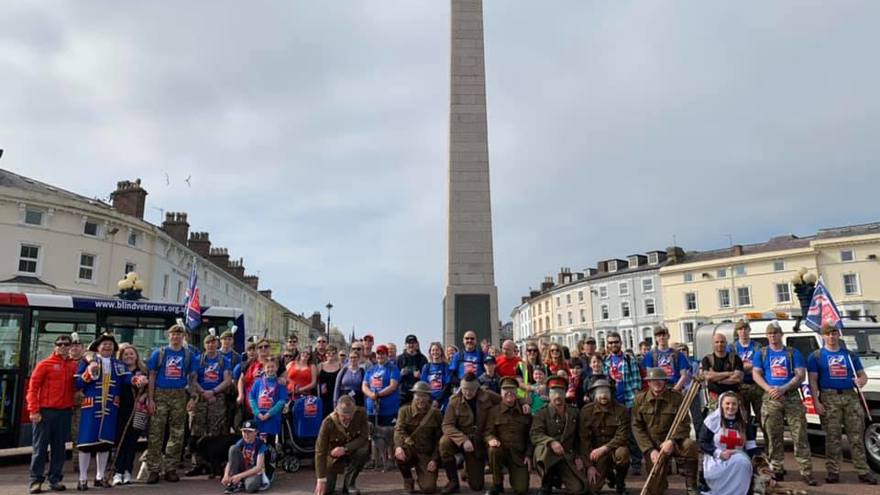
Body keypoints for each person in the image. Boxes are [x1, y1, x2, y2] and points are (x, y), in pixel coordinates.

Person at [807, 323, 877, 484]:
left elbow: (862, 375)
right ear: (823, 336)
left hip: (850, 397)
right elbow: (813, 381)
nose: (831, 337)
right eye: (828, 334)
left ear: (839, 335)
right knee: (833, 437)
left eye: (834, 333)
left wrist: (861, 381)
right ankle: (833, 471)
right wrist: (816, 402)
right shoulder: (816, 356)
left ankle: (863, 471)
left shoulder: (849, 355)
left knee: (856, 436)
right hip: (829, 397)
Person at [752, 321, 815, 485]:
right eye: (770, 334)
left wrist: (784, 388)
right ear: (767, 336)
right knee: (773, 436)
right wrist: (768, 389)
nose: (773, 336)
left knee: (799, 434)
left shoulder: (793, 353)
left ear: (781, 334)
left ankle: (806, 470)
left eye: (775, 333)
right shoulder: (762, 353)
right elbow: (756, 374)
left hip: (792, 397)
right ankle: (777, 468)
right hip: (771, 399)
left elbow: (800, 374)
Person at [75, 332, 138, 489]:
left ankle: (100, 476)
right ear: (97, 347)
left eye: (110, 344)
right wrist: (89, 372)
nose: (107, 346)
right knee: (86, 444)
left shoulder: (118, 364)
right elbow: (77, 383)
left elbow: (127, 378)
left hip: (110, 409)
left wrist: (138, 379)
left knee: (105, 444)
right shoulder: (87, 362)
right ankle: (82, 479)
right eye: (104, 344)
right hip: (91, 408)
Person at [632, 368, 699, 495]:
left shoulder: (677, 398)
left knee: (690, 445)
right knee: (655, 489)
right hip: (652, 445)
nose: (657, 383)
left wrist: (672, 441)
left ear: (665, 382)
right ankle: (662, 480)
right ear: (649, 382)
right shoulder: (640, 400)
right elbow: (637, 427)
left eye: (660, 380)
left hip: (674, 442)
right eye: (653, 380)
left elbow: (684, 423)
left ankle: (691, 487)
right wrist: (650, 450)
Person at [145, 324, 196, 484]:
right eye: (173, 334)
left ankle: (171, 468)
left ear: (184, 337)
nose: (176, 337)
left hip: (179, 395)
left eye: (179, 335)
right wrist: (150, 399)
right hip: (160, 394)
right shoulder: (159, 353)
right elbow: (151, 377)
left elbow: (192, 378)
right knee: (155, 433)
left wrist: (193, 398)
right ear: (168, 336)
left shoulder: (189, 355)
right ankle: (153, 469)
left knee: (177, 433)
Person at [28, 334, 78, 494]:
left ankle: (55, 480)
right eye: (60, 344)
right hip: (45, 412)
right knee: (40, 448)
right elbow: (33, 388)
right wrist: (33, 410)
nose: (63, 347)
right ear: (55, 346)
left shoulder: (74, 366)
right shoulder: (45, 364)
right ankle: (36, 481)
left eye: (66, 344)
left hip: (64, 412)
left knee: (59, 449)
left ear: (70, 346)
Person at [439, 373, 501, 494]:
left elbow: (506, 399)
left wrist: (524, 401)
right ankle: (453, 481)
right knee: (444, 443)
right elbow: (447, 425)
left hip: (478, 442)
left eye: (471, 389)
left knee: (477, 486)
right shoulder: (454, 401)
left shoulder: (488, 396)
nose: (468, 392)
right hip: (460, 440)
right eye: (465, 389)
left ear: (477, 388)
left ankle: (467, 469)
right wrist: (463, 440)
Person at [187, 332, 233, 477]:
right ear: (204, 345)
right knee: (197, 430)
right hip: (200, 398)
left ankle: (215, 464)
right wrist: (204, 393)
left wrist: (213, 391)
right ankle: (198, 464)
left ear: (217, 344)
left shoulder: (224, 360)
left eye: (213, 343)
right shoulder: (197, 360)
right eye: (208, 343)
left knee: (215, 433)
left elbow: (227, 380)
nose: (211, 345)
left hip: (217, 398)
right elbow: (193, 379)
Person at [530, 376, 585, 495]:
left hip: (566, 455)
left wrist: (579, 456)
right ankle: (547, 482)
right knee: (543, 451)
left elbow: (580, 437)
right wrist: (551, 442)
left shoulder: (574, 412)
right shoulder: (542, 413)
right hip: (549, 453)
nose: (557, 396)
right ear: (549, 395)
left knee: (578, 489)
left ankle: (559, 477)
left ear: (565, 393)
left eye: (560, 392)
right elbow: (535, 434)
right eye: (554, 393)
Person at [698, 392, 759, 495]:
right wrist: (719, 453)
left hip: (738, 457)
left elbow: (752, 447)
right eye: (727, 403)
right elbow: (702, 442)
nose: (730, 407)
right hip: (717, 457)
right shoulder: (712, 421)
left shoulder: (744, 423)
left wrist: (763, 466)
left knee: (742, 462)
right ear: (721, 404)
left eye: (734, 404)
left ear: (738, 405)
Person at [579, 379, 629, 494]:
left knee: (623, 453)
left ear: (611, 394)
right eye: (600, 392)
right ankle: (609, 475)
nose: (603, 395)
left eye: (606, 392)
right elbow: (583, 441)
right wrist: (589, 466)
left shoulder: (621, 410)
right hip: (595, 454)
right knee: (593, 488)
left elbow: (622, 435)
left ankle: (620, 483)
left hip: (613, 449)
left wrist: (604, 448)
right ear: (594, 395)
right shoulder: (586, 411)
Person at [603, 332, 642, 475]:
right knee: (615, 432)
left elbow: (637, 381)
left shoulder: (628, 359)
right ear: (607, 345)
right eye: (611, 342)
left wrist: (637, 401)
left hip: (629, 400)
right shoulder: (606, 361)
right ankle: (617, 462)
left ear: (620, 343)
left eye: (616, 342)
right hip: (614, 402)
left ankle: (636, 462)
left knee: (633, 433)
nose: (613, 345)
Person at [484, 377, 532, 495]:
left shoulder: (525, 411)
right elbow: (487, 432)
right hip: (501, 451)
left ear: (517, 393)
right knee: (493, 450)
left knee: (521, 490)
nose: (509, 394)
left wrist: (528, 455)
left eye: (512, 391)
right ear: (501, 393)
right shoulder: (494, 411)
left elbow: (531, 436)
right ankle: (497, 484)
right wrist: (491, 439)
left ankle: (516, 476)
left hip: (518, 455)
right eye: (506, 391)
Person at [314, 395, 370, 495]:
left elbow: (363, 437)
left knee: (363, 450)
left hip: (351, 451)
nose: (346, 419)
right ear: (337, 411)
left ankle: (349, 484)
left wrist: (345, 449)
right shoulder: (327, 423)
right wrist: (321, 479)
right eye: (343, 416)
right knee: (326, 490)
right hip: (333, 458)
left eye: (349, 416)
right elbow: (320, 452)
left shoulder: (361, 414)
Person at [394, 381, 443, 494]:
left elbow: (439, 439)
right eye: (418, 395)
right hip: (409, 449)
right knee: (399, 455)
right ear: (413, 395)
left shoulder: (436, 414)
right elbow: (398, 430)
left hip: (425, 453)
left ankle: (421, 477)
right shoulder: (404, 411)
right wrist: (398, 446)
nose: (421, 399)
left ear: (429, 397)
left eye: (424, 396)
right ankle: (408, 480)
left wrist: (435, 459)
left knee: (429, 488)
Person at [112, 343, 148, 486]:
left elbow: (149, 388)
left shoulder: (143, 370)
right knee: (119, 441)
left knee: (132, 442)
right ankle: (117, 471)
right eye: (125, 354)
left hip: (138, 411)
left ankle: (127, 471)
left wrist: (144, 397)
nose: (128, 357)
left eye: (131, 354)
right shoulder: (118, 371)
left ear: (136, 356)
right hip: (120, 410)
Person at [222, 420, 270, 494]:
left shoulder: (260, 444)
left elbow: (258, 468)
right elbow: (231, 460)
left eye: (249, 432)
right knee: (233, 448)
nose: (246, 435)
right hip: (243, 467)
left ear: (256, 432)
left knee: (251, 487)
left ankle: (240, 481)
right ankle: (233, 484)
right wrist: (226, 475)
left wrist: (240, 476)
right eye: (244, 432)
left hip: (253, 472)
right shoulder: (241, 442)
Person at [249, 359, 288, 447]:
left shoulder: (280, 383)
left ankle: (271, 459)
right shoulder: (258, 382)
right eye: (268, 367)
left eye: (272, 367)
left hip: (272, 418)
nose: (270, 369)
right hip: (259, 417)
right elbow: (251, 398)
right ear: (264, 369)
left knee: (270, 443)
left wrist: (269, 414)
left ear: (277, 368)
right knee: (258, 442)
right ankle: (259, 459)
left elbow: (281, 401)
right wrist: (257, 413)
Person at [732, 320, 763, 430]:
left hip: (756, 385)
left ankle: (768, 444)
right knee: (744, 418)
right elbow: (732, 367)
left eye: (745, 329)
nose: (743, 331)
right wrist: (746, 366)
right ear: (737, 331)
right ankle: (748, 443)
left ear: (749, 330)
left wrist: (742, 367)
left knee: (762, 417)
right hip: (740, 386)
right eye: (740, 329)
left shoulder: (757, 346)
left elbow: (759, 364)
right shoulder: (733, 347)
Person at [700, 332, 743, 411]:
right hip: (715, 398)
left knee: (735, 422)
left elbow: (737, 378)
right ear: (713, 344)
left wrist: (717, 378)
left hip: (732, 398)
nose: (720, 344)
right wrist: (728, 373)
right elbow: (708, 376)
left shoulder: (735, 358)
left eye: (722, 342)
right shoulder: (707, 359)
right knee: (714, 422)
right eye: (717, 342)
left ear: (726, 343)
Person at [642, 326, 690, 392]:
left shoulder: (678, 354)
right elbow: (650, 376)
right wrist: (656, 390)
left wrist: (675, 390)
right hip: (657, 389)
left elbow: (684, 375)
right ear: (655, 338)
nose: (662, 337)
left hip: (674, 387)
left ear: (668, 336)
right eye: (659, 335)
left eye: (664, 335)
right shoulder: (650, 355)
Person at [363, 344, 401, 429]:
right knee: (372, 436)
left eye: (383, 353)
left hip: (389, 410)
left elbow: (393, 386)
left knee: (387, 436)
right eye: (378, 354)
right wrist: (371, 394)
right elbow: (364, 386)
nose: (380, 356)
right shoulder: (371, 370)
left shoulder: (393, 369)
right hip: (371, 410)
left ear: (387, 355)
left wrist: (378, 394)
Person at [68, 334, 87, 477]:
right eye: (72, 345)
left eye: (78, 345)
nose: (74, 347)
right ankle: (54, 465)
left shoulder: (87, 362)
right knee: (56, 437)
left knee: (78, 434)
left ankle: (77, 463)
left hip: (80, 404)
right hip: (62, 404)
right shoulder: (62, 361)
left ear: (83, 348)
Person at [219, 329, 243, 433]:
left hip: (231, 390)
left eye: (229, 339)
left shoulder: (237, 356)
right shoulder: (215, 354)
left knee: (231, 416)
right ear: (221, 340)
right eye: (225, 339)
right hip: (218, 389)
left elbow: (238, 373)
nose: (227, 341)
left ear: (232, 341)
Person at [421, 342, 453, 410]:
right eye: (433, 350)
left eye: (437, 350)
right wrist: (430, 400)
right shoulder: (427, 367)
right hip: (429, 400)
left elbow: (448, 385)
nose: (435, 352)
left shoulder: (446, 366)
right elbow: (423, 385)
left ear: (441, 351)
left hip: (443, 400)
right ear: (430, 352)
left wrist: (438, 400)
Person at [397, 335, 428, 406]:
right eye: (409, 343)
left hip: (418, 394)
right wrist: (400, 374)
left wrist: (420, 376)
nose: (411, 345)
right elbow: (394, 379)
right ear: (405, 345)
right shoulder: (399, 359)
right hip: (403, 395)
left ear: (417, 344)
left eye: (413, 343)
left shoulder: (423, 359)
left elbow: (427, 379)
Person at [319, 346, 342, 418]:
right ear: (325, 354)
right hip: (323, 397)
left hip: (336, 396)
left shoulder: (340, 366)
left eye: (333, 353)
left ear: (336, 354)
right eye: (328, 353)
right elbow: (314, 380)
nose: (331, 355)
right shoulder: (320, 366)